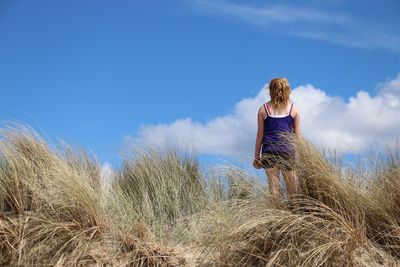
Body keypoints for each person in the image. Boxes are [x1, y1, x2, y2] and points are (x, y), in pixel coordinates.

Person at [253, 77, 301, 197]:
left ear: (270, 91)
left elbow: (260, 135)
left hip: (269, 152)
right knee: (293, 192)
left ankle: (276, 215)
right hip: (288, 152)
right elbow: (298, 137)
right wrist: (301, 157)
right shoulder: (294, 109)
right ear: (287, 91)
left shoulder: (263, 109)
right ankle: (293, 215)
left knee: (274, 192)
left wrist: (256, 156)